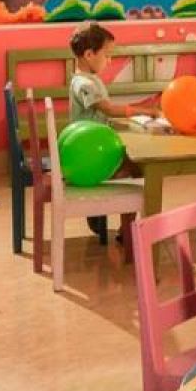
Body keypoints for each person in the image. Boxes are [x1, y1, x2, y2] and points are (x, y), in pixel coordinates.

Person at [65, 23, 156, 242]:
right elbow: (107, 109)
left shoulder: (87, 80)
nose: (110, 60)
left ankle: (114, 221)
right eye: (107, 55)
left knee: (133, 162)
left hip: (93, 148)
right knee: (137, 167)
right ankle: (126, 228)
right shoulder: (84, 83)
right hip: (89, 156)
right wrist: (143, 111)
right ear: (89, 54)